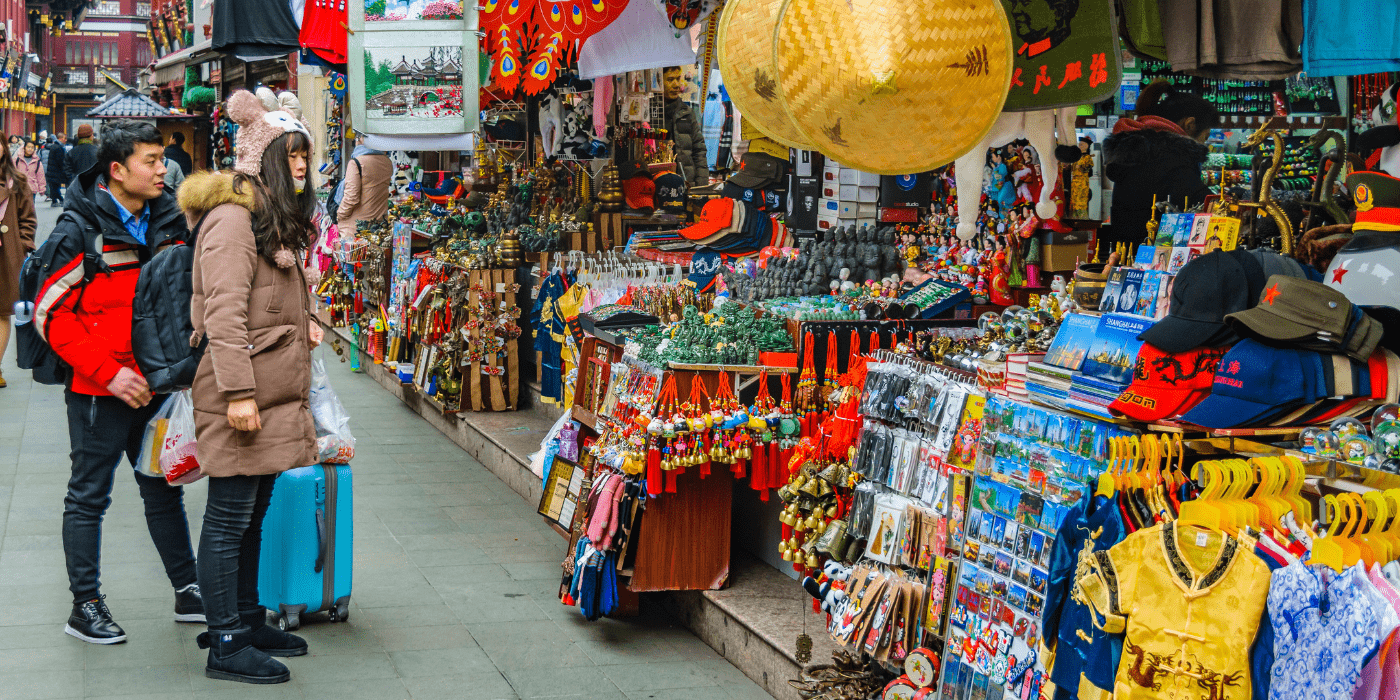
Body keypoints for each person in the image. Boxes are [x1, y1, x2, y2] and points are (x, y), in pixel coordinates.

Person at [33, 119, 202, 644]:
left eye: (161, 159)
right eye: (151, 161)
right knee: (89, 496)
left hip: (158, 387)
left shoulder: (170, 218)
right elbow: (49, 313)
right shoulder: (78, 230)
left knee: (162, 488)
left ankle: (189, 589)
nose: (162, 169)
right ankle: (84, 606)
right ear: (117, 170)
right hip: (98, 391)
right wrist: (110, 373)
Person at [183, 89, 320, 684]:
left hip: (271, 394)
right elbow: (224, 312)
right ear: (263, 158)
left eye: (305, 155)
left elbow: (269, 297)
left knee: (254, 512)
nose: (301, 166)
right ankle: (226, 642)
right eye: (291, 155)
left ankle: (245, 617)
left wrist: (305, 321)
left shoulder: (269, 216)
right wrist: (238, 393)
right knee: (228, 518)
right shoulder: (234, 219)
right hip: (242, 395)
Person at [1102, 79, 1217, 249]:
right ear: (1190, 124)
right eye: (1205, 137)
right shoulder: (1172, 158)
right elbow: (1203, 202)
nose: (1204, 143)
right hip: (1155, 257)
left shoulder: (1137, 151)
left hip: (1127, 252)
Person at [0, 135, 38, 389]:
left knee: (1, 312)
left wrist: (22, 246)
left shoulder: (17, 181)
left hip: (6, 255)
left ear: (4, 148)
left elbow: (28, 219)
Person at [334, 135, 392, 238]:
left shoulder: (356, 163)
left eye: (357, 138)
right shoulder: (387, 162)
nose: (356, 141)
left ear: (363, 139)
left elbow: (351, 197)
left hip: (356, 228)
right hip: (378, 226)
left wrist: (339, 215)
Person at [661, 66, 708, 188]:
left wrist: (701, 186)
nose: (676, 85)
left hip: (686, 185)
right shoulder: (651, 114)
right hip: (660, 184)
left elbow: (699, 150)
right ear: (659, 81)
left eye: (678, 79)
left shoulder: (687, 113)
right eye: (670, 79)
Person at [44, 134, 70, 207]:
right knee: (55, 187)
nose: (66, 140)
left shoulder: (54, 146)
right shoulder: (59, 148)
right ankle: (60, 200)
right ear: (60, 138)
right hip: (56, 171)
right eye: (64, 138)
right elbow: (60, 161)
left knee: (53, 187)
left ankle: (55, 201)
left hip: (52, 170)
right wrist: (64, 170)